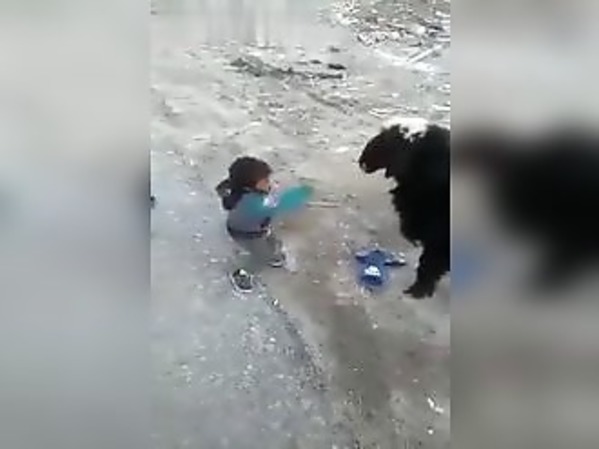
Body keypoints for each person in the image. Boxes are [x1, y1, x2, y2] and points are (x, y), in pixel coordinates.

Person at [216, 156, 311, 293]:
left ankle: (272, 254)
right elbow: (278, 206)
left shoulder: (238, 191)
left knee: (271, 241)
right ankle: (243, 273)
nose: (269, 183)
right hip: (247, 234)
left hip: (253, 226)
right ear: (250, 185)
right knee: (261, 256)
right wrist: (296, 196)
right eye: (265, 181)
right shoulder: (252, 203)